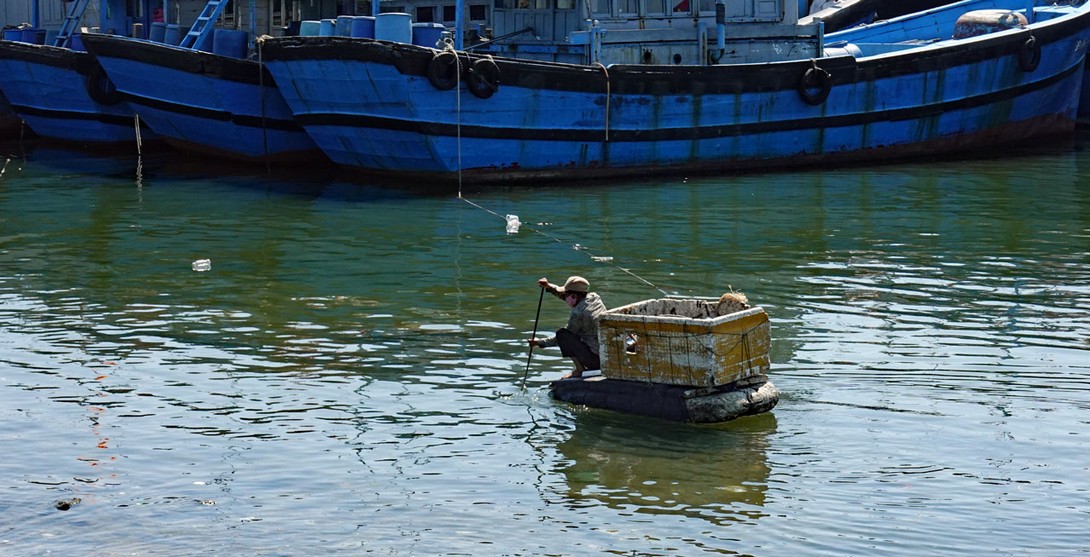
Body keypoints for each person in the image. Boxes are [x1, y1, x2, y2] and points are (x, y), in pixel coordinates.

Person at [528, 276, 607, 379]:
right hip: (605, 353)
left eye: (567, 295)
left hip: (595, 360)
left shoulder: (578, 314)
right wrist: (549, 286)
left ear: (574, 296)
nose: (565, 297)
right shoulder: (594, 297)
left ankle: (579, 369)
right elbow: (565, 295)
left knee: (563, 335)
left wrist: (540, 343)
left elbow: (562, 338)